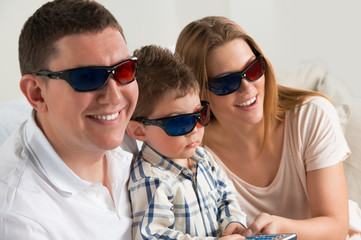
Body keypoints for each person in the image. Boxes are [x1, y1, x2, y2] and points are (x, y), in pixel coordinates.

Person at [175, 16, 351, 239]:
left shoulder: (312, 116)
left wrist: (279, 228)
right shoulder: (193, 151)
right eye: (226, 83)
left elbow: (335, 228)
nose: (248, 87)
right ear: (199, 93)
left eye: (253, 68)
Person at [0, 0, 139, 239]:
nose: (115, 96)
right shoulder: (19, 220)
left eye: (124, 70)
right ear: (37, 93)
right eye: (87, 77)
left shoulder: (140, 131)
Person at [126, 45, 248, 240]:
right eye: (179, 122)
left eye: (200, 115)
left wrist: (233, 222)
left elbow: (227, 196)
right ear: (139, 131)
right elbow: (153, 236)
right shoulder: (152, 180)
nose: (194, 130)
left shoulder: (202, 157)